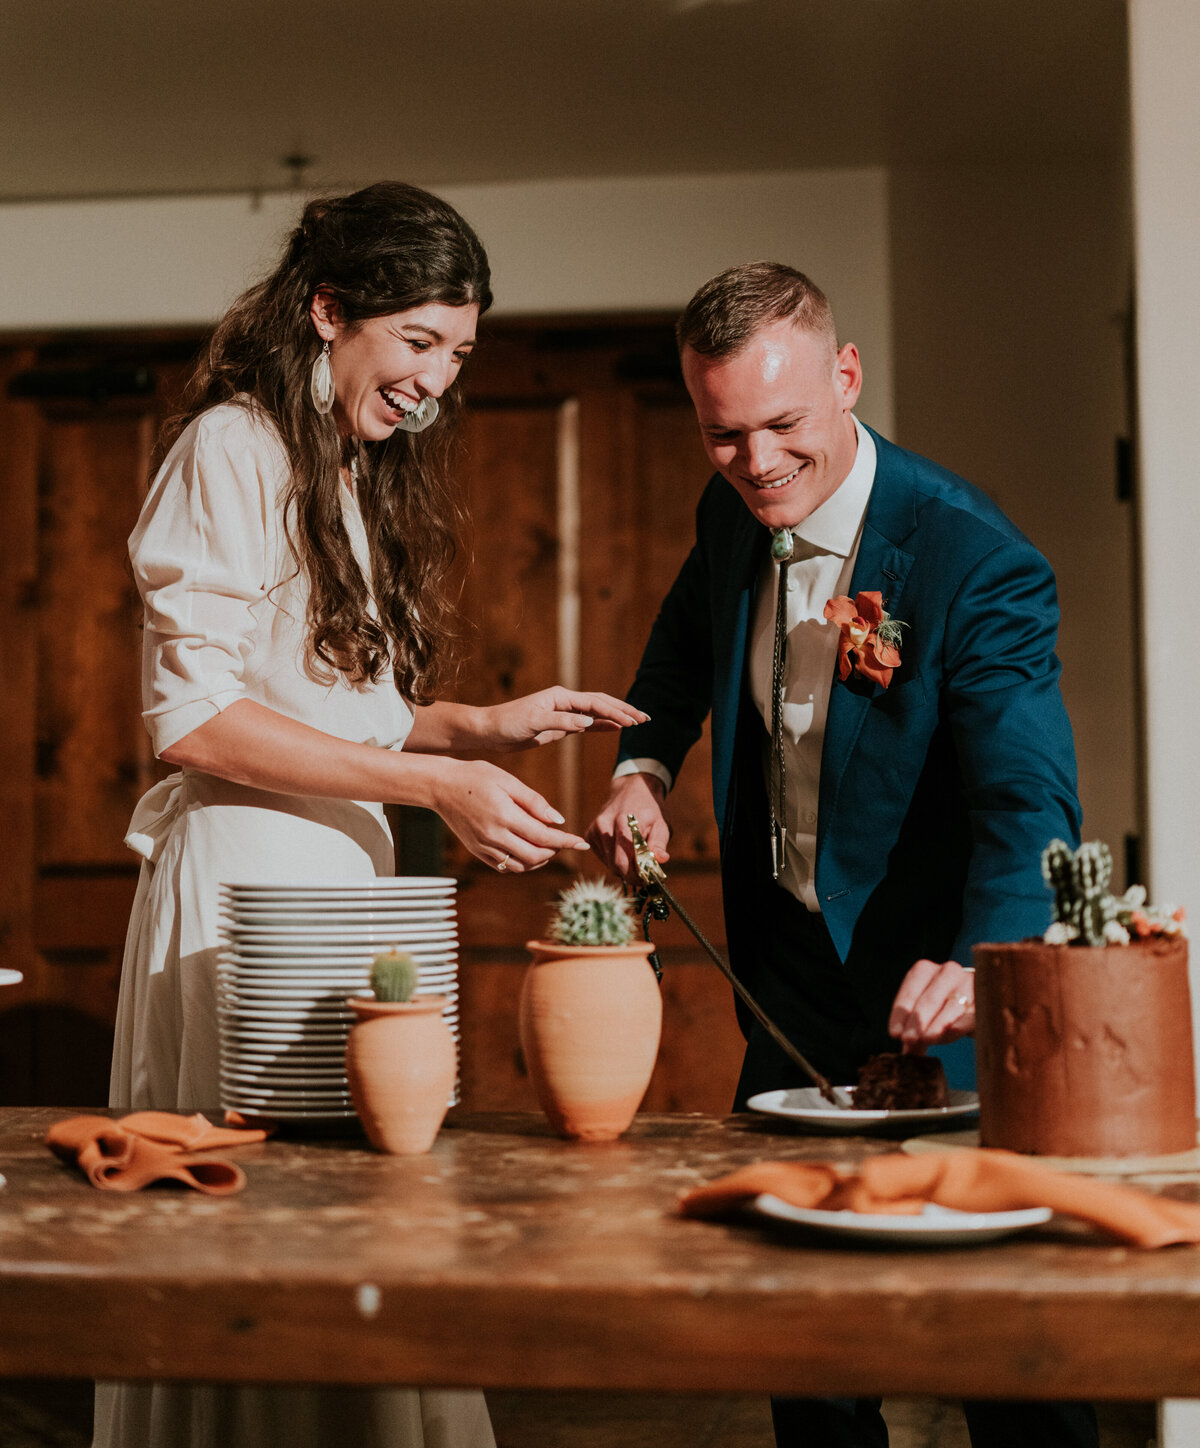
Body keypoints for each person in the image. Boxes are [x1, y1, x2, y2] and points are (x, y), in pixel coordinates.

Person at [101, 181, 644, 1448]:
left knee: (362, 1214)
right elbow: (192, 720)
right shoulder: (233, 445)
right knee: (269, 1234)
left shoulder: (339, 470)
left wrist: (479, 724)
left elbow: (347, 712)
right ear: (330, 310)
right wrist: (434, 786)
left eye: (458, 354)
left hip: (343, 886)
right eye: (418, 342)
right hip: (242, 891)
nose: (436, 383)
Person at [587, 262, 1097, 1448]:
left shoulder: (975, 557)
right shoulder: (732, 513)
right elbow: (676, 651)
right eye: (723, 436)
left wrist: (984, 955)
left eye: (783, 425)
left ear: (847, 377)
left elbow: (1031, 793)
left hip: (943, 991)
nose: (757, 463)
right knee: (806, 1339)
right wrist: (640, 768)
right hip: (789, 981)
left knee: (1004, 1348)